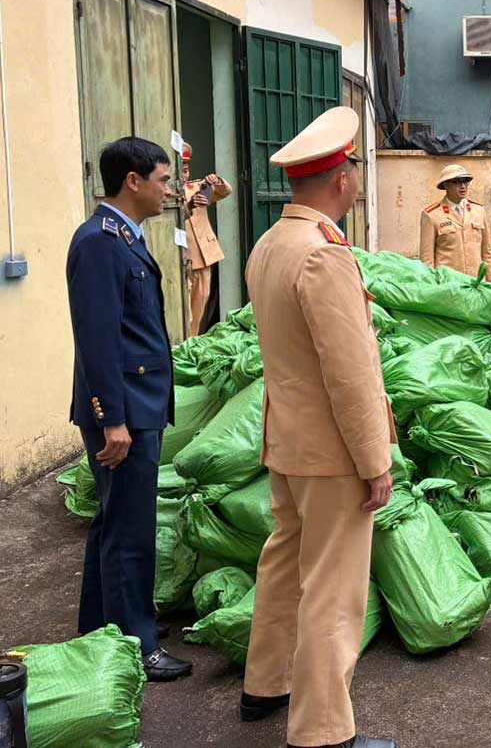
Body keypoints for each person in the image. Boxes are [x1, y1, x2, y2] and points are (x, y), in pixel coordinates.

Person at [240, 106, 398, 748]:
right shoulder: (323, 255)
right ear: (341, 177)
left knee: (283, 565)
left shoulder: (271, 244)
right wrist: (375, 461)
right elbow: (351, 375)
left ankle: (265, 684)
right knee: (333, 591)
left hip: (288, 442)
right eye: (357, 165)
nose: (359, 177)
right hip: (332, 452)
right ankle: (323, 732)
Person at [65, 136, 193, 682]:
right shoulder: (99, 241)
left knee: (115, 522)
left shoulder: (124, 237)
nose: (170, 190)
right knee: (132, 529)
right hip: (122, 412)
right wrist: (110, 418)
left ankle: (104, 625)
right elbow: (97, 340)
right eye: (164, 180)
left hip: (137, 406)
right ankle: (136, 644)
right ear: (133, 182)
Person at [181, 142, 233, 338]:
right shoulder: (168, 191)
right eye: (181, 170)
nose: (184, 174)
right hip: (184, 256)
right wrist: (189, 204)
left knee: (200, 303)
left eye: (186, 170)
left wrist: (216, 180)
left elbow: (226, 191)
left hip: (204, 255)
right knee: (184, 309)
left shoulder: (197, 186)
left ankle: (192, 341)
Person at [419, 164, 491, 284]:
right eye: (456, 182)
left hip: (476, 282)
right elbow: (427, 259)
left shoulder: (478, 211)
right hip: (448, 285)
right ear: (446, 185)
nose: (463, 186)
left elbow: (487, 250)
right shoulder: (431, 215)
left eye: (465, 182)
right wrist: (431, 285)